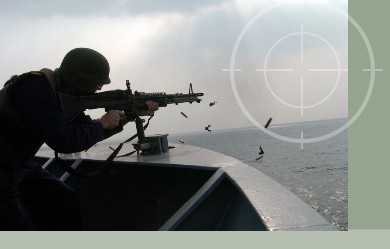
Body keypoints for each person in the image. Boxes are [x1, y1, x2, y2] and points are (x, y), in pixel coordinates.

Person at [0, 48, 159, 230]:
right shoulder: (36, 89)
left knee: (65, 199)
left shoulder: (59, 92)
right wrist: (101, 124)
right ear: (81, 81)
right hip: (4, 171)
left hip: (17, 165)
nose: (99, 89)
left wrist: (128, 117)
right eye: (97, 85)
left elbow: (83, 128)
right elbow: (65, 141)